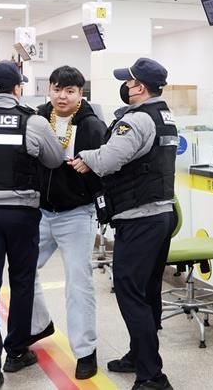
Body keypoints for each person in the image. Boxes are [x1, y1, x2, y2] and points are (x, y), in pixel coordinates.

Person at [70, 57, 178, 390]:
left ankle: (151, 376)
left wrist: (85, 157)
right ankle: (139, 355)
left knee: (130, 293)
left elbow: (107, 159)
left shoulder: (136, 120)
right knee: (148, 291)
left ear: (139, 87)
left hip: (140, 217)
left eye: (128, 82)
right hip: (160, 215)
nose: (125, 87)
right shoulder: (165, 116)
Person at [0, 61, 64, 390]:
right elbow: (55, 160)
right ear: (17, 88)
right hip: (22, 215)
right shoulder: (33, 121)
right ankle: (17, 352)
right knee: (22, 283)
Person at [28, 65, 107, 380]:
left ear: (80, 94)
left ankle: (85, 351)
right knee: (23, 270)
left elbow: (107, 165)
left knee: (78, 282)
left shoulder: (92, 125)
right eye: (57, 89)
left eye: (70, 91)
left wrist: (90, 167)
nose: (62, 96)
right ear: (49, 89)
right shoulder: (37, 118)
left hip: (77, 213)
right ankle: (38, 325)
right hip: (41, 213)